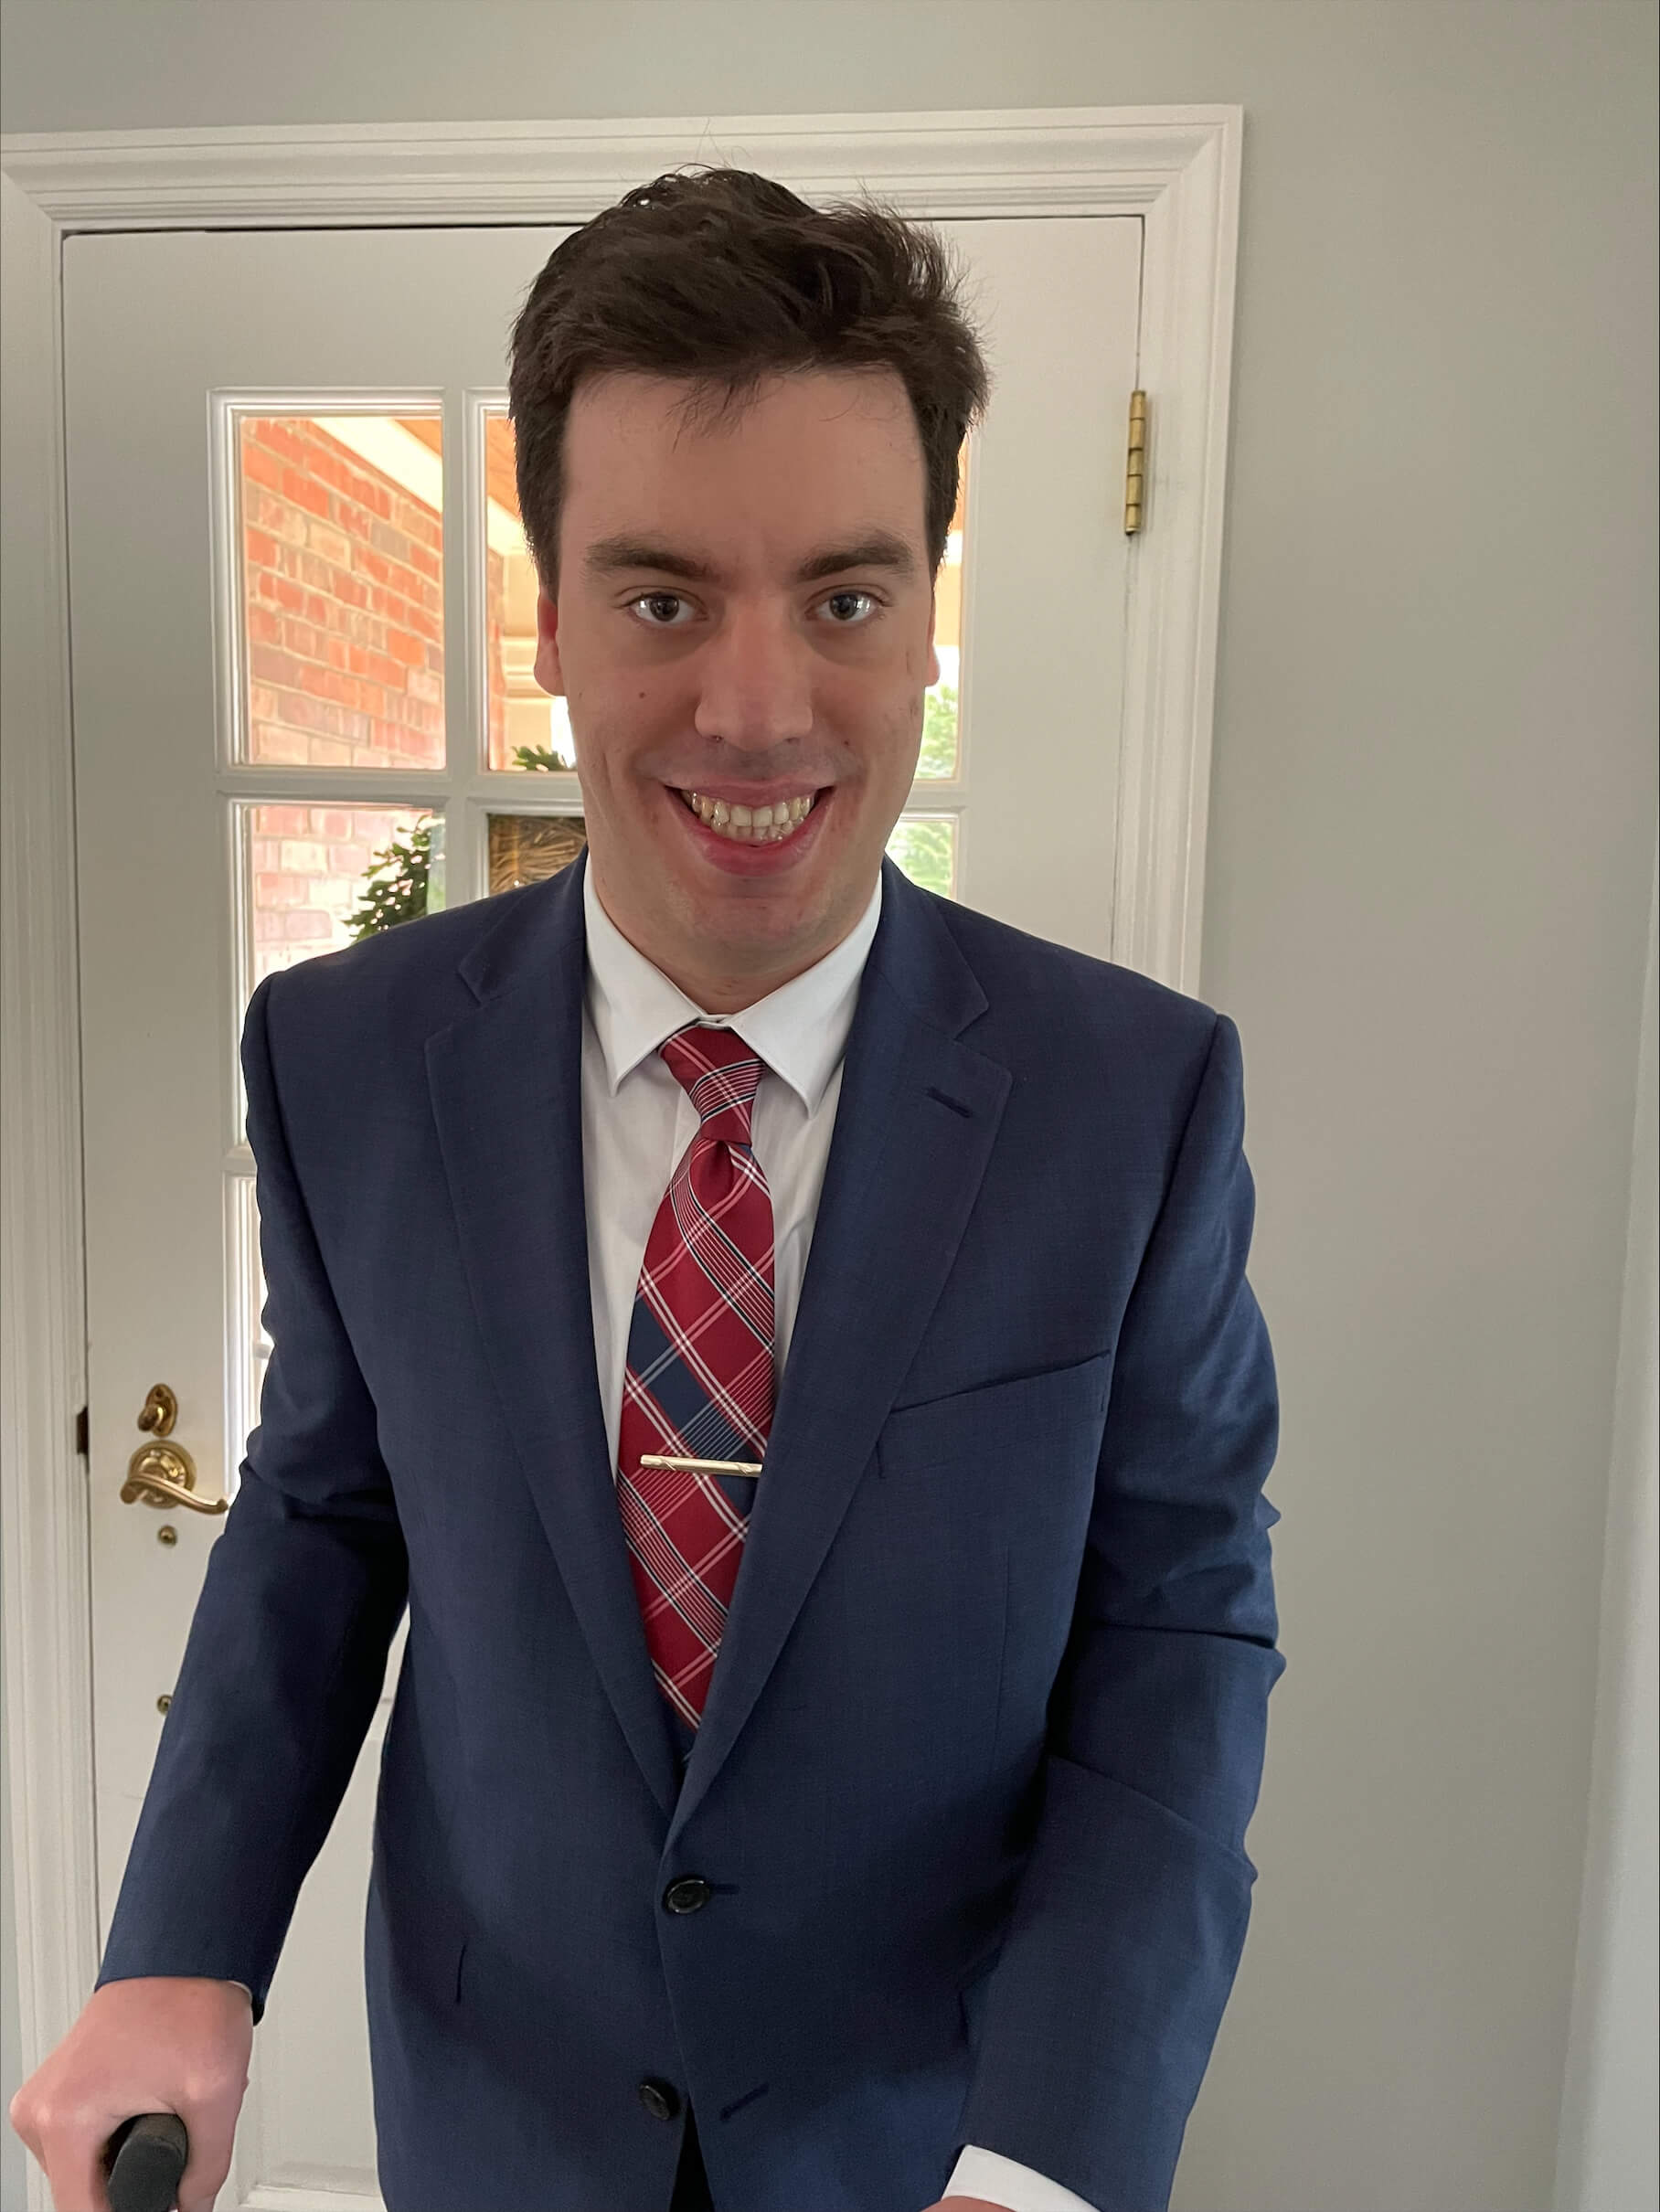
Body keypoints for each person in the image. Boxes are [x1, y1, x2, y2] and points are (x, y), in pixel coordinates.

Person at [11, 166, 1284, 2212]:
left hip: (933, 2130)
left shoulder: (1126, 1103)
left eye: (847, 598)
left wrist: (1050, 2153)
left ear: (931, 601)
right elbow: (325, 1513)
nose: (759, 708)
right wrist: (178, 1946)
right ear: (547, 612)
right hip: (499, 2110)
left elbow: (1177, 1628)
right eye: (664, 596)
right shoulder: (343, 1061)